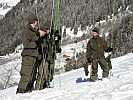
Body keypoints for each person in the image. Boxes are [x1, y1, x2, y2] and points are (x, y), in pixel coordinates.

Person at [16, 14, 40, 93]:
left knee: (32, 73)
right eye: (36, 21)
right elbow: (26, 44)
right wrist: (35, 43)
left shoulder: (34, 30)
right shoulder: (27, 30)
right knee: (26, 74)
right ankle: (21, 91)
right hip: (28, 56)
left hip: (33, 56)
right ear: (33, 21)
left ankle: (28, 89)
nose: (37, 22)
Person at [35, 22, 51, 90]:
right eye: (44, 32)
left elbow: (47, 46)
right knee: (40, 73)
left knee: (45, 72)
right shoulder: (37, 36)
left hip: (44, 57)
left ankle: (42, 86)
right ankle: (38, 87)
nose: (45, 33)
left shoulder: (45, 37)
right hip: (39, 57)